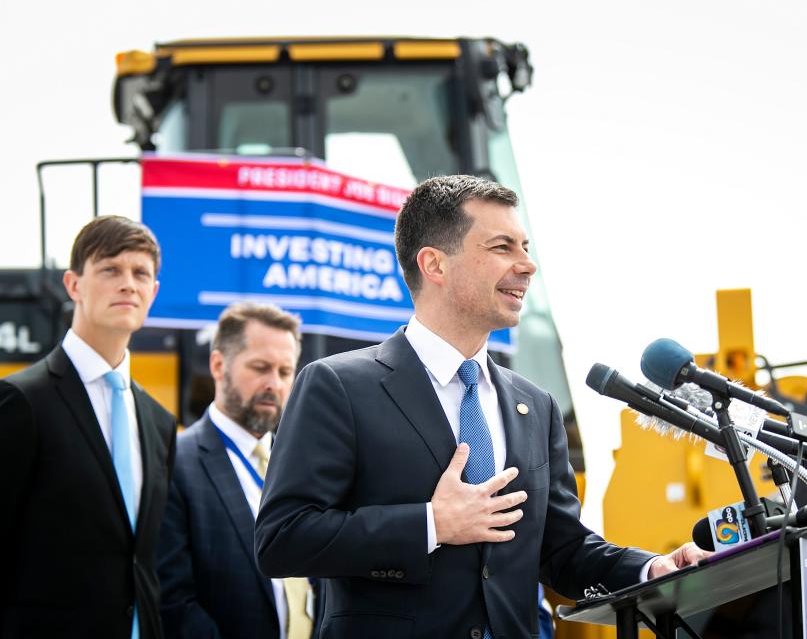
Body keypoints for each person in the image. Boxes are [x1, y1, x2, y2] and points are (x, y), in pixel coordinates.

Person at [255, 175, 708, 638]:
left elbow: (561, 549)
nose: (527, 265)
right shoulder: (338, 386)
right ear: (435, 264)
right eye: (502, 247)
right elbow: (282, 538)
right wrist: (431, 524)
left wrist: (650, 568)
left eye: (525, 246)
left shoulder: (537, 406)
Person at [0, 215, 177, 638]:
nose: (127, 283)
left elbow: (144, 559)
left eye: (140, 273)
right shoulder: (21, 401)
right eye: (110, 269)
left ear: (152, 292)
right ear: (74, 285)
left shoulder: (159, 421)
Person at [157, 302, 321, 639]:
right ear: (218, 365)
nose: (273, 384)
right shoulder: (175, 463)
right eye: (260, 367)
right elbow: (172, 602)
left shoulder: (307, 464)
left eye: (285, 371)